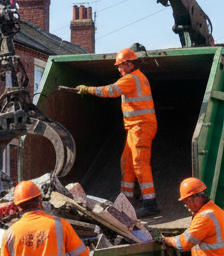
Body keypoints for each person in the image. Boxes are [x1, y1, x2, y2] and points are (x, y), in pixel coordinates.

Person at [69, 47, 160, 218]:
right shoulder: (136, 78)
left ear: (130, 64)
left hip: (141, 126)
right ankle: (126, 201)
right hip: (136, 127)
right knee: (127, 161)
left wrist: (87, 89)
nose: (119, 69)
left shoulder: (132, 78)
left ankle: (150, 203)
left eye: (120, 65)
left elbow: (111, 91)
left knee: (139, 162)